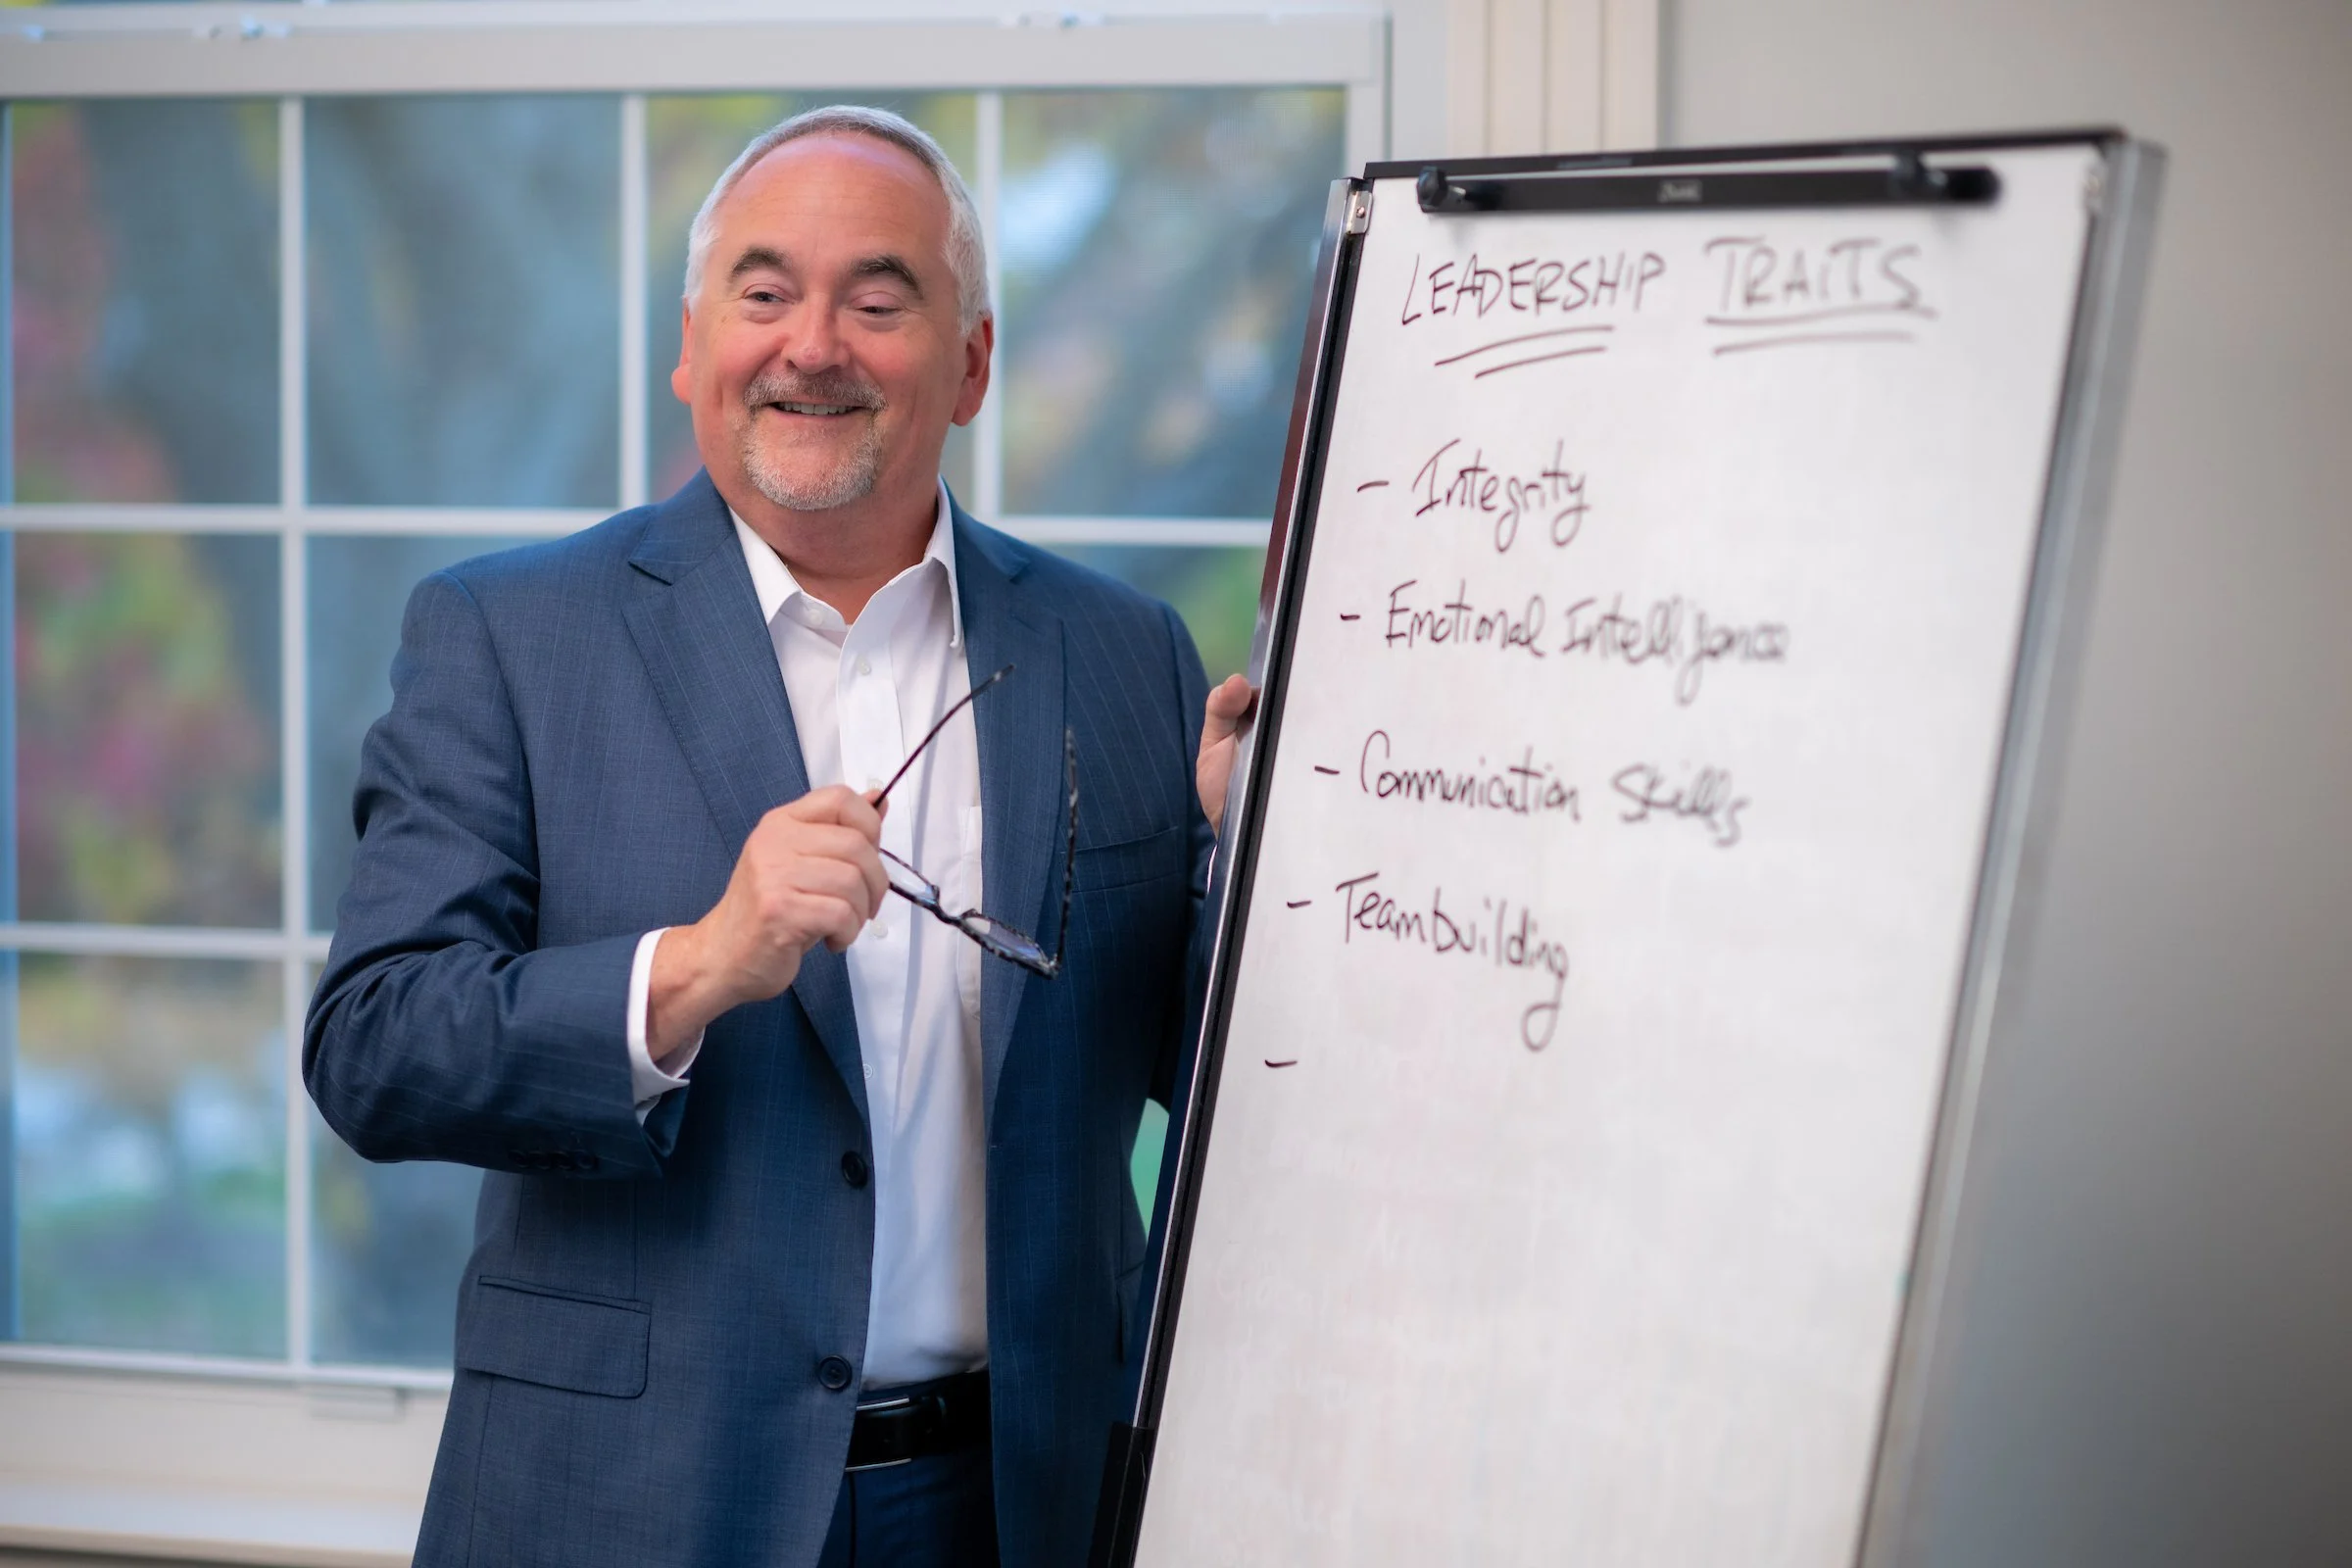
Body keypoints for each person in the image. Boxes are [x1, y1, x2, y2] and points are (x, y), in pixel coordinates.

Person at [305, 105, 1255, 1568]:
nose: (813, 345)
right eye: (764, 294)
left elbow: (1208, 1085)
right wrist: (694, 967)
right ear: (693, 348)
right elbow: (375, 1047)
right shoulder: (507, 634)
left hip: (1015, 1507)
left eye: (878, 301)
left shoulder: (1126, 654)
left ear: (972, 365)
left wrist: (1255, 875)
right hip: (629, 1505)